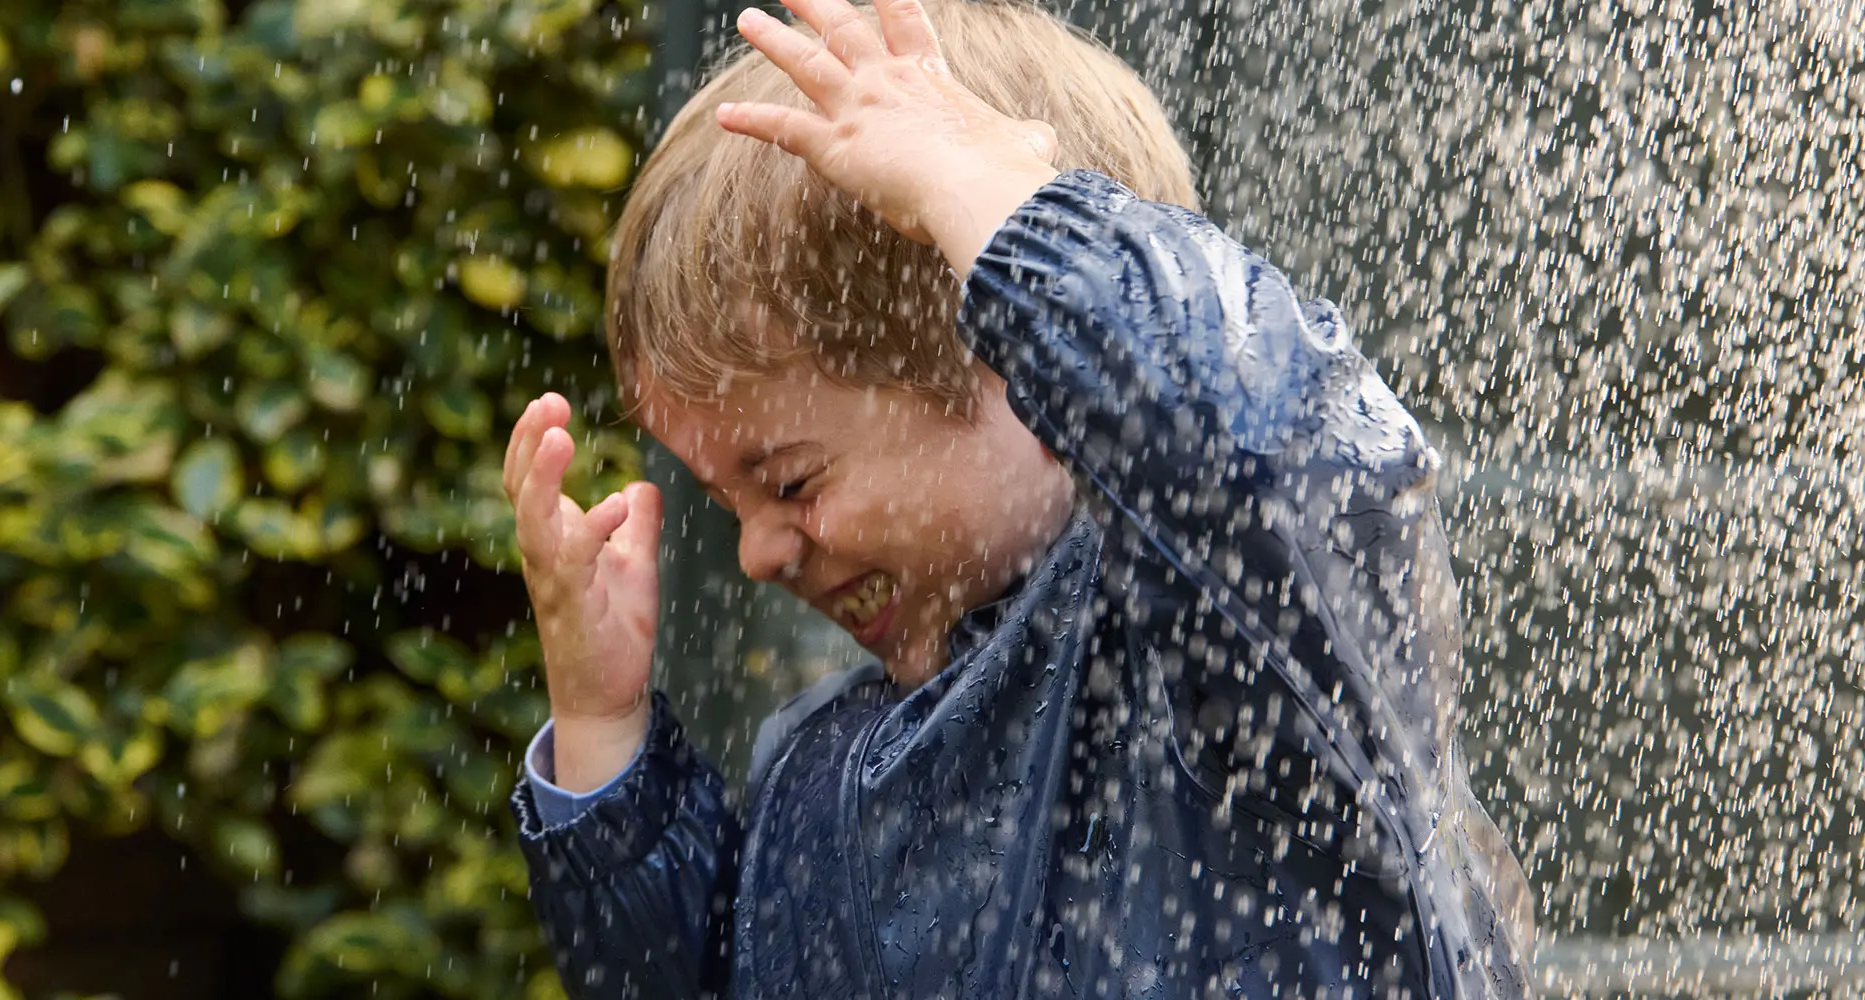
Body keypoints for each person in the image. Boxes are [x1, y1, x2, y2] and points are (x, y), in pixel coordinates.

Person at [498, 0, 1534, 995]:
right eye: (727, 505)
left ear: (1019, 362)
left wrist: (997, 205)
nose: (756, 553)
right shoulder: (826, 769)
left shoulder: (1221, 679)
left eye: (786, 481)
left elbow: (1256, 454)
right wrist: (602, 735)